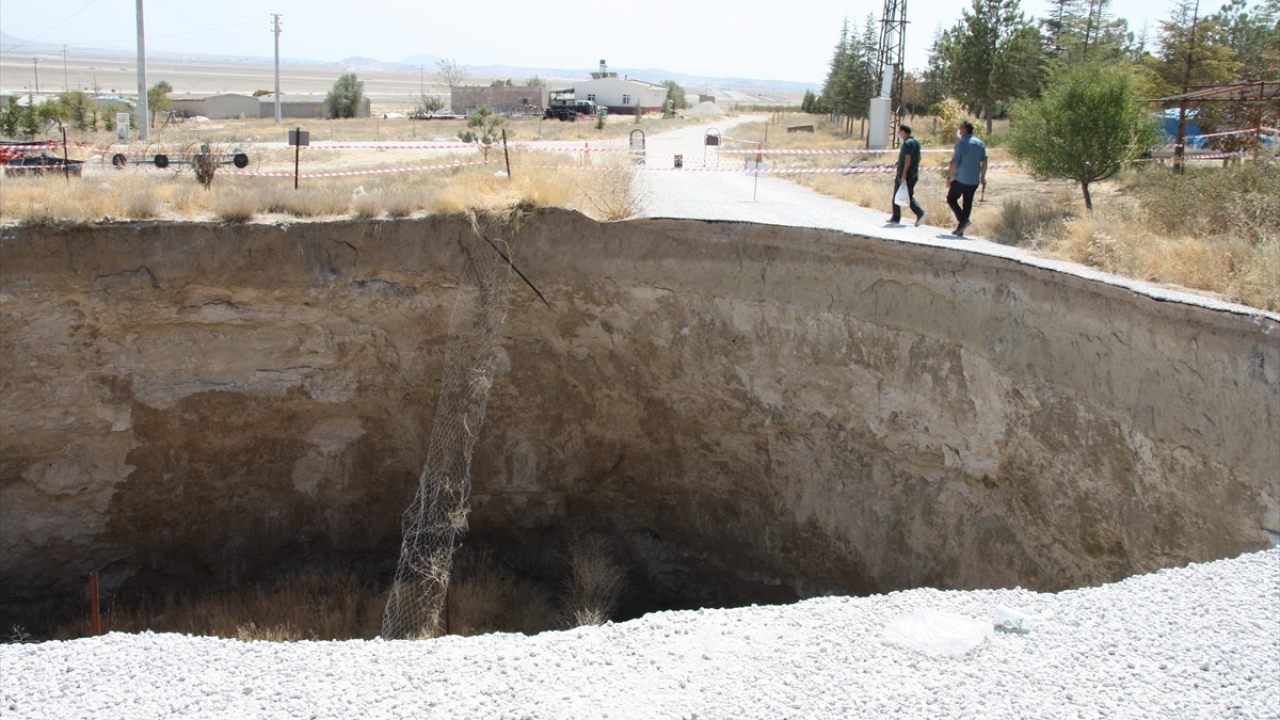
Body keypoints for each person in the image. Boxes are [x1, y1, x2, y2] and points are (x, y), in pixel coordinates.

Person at [946, 120, 987, 237]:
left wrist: (949, 177)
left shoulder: (962, 144)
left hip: (961, 178)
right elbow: (984, 162)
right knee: (967, 203)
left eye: (960, 129)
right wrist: (982, 178)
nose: (958, 131)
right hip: (974, 180)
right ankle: (961, 230)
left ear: (964, 131)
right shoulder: (980, 144)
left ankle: (963, 221)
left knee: (951, 199)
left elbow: (954, 162)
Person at [888, 124, 925, 226]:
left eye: (899, 132)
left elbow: (908, 159)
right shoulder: (916, 142)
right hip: (914, 173)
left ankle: (919, 213)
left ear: (903, 132)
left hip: (906, 174)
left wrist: (904, 174)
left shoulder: (907, 143)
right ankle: (896, 216)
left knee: (902, 195)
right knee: (906, 194)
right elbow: (918, 158)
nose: (898, 134)